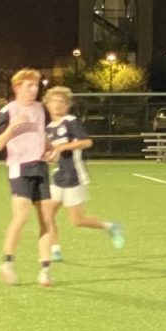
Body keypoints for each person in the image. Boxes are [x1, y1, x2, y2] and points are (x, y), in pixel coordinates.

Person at [43, 86, 125, 261]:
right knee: (47, 214)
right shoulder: (49, 128)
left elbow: (87, 142)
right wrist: (50, 157)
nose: (57, 105)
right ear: (47, 104)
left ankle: (111, 227)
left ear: (67, 106)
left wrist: (63, 147)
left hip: (74, 175)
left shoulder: (71, 121)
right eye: (54, 101)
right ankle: (56, 250)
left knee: (77, 221)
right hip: (59, 175)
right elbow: (54, 155)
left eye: (61, 102)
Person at [0, 68, 56, 287]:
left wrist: (51, 150)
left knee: (46, 219)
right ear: (17, 87)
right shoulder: (8, 110)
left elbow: (43, 137)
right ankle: (7, 263)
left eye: (36, 85)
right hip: (19, 168)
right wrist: (12, 126)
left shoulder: (41, 109)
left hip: (40, 168)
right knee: (21, 216)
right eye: (29, 85)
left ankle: (45, 271)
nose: (34, 90)